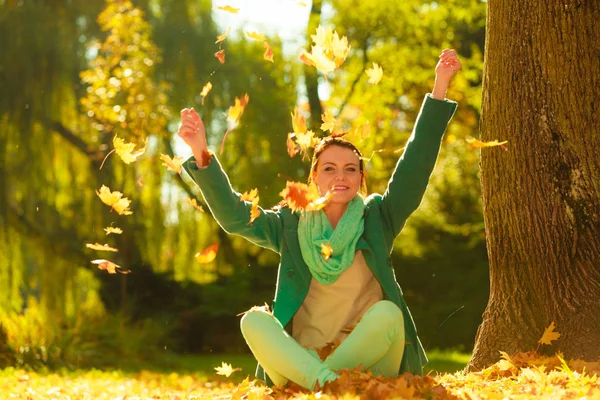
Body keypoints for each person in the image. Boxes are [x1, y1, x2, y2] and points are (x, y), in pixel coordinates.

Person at [178, 49, 461, 391]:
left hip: (367, 369)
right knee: (253, 321)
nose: (340, 176)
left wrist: (440, 87)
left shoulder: (377, 218)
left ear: (360, 177)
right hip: (301, 362)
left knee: (389, 315)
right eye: (329, 168)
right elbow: (237, 218)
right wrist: (201, 154)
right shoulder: (290, 223)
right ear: (314, 177)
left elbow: (414, 169)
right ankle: (326, 385)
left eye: (350, 169)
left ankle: (319, 386)